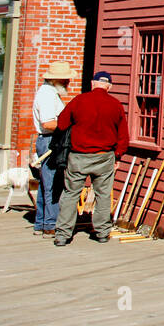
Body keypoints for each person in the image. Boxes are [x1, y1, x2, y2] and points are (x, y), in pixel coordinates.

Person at [53, 71, 129, 246]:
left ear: (92, 83)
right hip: (104, 156)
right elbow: (123, 136)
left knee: (71, 194)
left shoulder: (79, 101)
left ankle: (63, 234)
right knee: (103, 195)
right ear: (109, 86)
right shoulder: (115, 105)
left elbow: (62, 123)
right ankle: (102, 232)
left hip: (78, 156)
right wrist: (118, 155)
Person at [31, 62, 72, 236]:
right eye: (66, 80)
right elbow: (47, 123)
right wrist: (68, 127)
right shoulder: (47, 95)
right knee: (53, 184)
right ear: (59, 80)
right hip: (50, 141)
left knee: (45, 183)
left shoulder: (49, 93)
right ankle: (50, 223)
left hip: (48, 140)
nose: (69, 83)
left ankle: (42, 221)